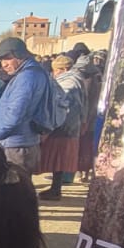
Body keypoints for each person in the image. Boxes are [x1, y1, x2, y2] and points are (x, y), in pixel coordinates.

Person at [0, 37, 52, 174]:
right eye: (2, 60)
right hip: (23, 142)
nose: (3, 64)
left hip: (16, 146)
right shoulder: (33, 72)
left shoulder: (26, 77)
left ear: (20, 55)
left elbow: (15, 113)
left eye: (8, 58)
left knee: (14, 189)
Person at [38, 54, 84, 200]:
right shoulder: (77, 80)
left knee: (58, 158)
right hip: (71, 125)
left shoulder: (68, 82)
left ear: (64, 69)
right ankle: (55, 188)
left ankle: (56, 189)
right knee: (59, 159)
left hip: (63, 126)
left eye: (57, 70)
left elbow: (62, 105)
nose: (54, 73)